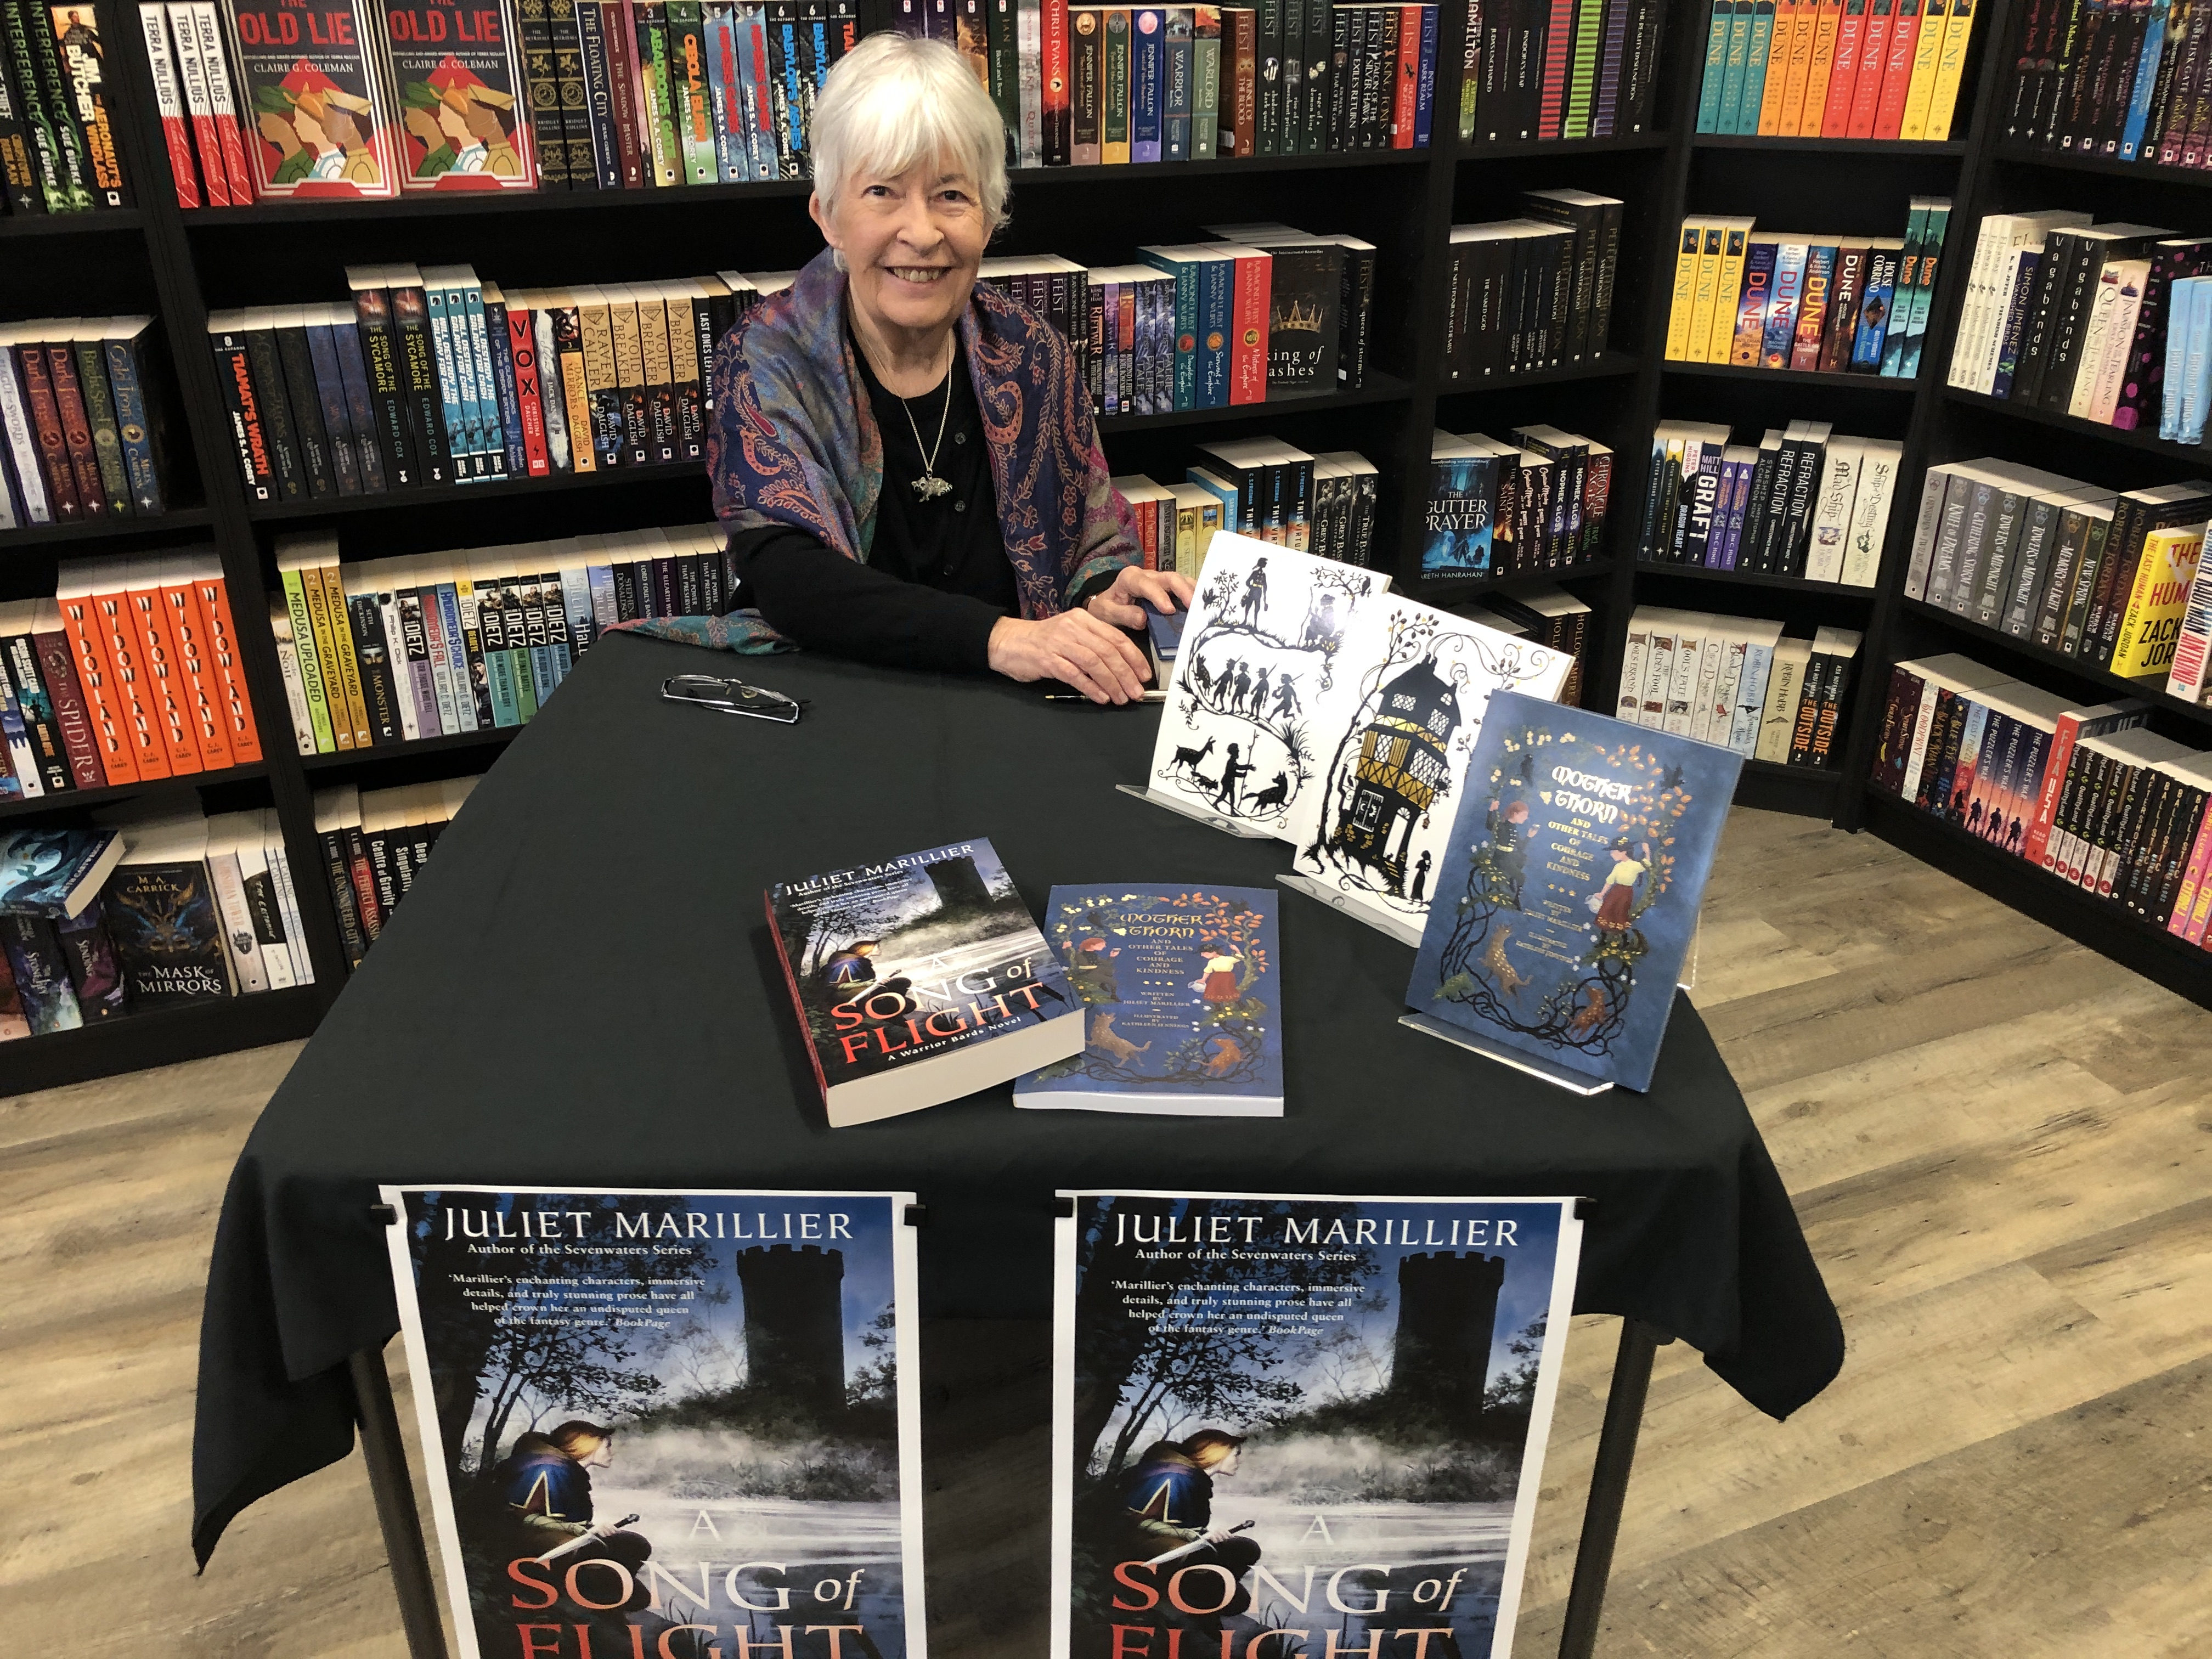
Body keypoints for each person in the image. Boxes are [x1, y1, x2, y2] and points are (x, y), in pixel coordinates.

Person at [654, 34, 1188, 703]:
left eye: (951, 195)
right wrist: (1001, 640)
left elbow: (1085, 545)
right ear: (829, 216)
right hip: (831, 702)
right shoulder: (766, 357)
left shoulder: (1033, 353)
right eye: (882, 191)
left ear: (989, 219)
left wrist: (1106, 594)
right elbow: (792, 581)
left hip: (1011, 710)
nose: (923, 233)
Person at [484, 1420, 651, 1605]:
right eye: (607, 1446)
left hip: (565, 1535)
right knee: (593, 1551)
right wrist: (578, 1529)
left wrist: (589, 1529)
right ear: (588, 1446)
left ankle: (612, 1586)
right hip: (529, 1537)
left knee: (636, 1545)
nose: (611, 1452)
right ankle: (585, 1593)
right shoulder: (549, 1469)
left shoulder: (571, 1472)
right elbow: (526, 1517)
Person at [1119, 1430, 1261, 1616]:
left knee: (1247, 1549)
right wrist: (1192, 1535)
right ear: (1218, 1453)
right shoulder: (1174, 1477)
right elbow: (1137, 1521)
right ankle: (1191, 1597)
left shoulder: (1194, 1479)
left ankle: (1210, 1589)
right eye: (1236, 1455)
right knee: (1237, 1602)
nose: (1239, 1461)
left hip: (1185, 1544)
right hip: (1152, 1548)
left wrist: (1202, 1535)